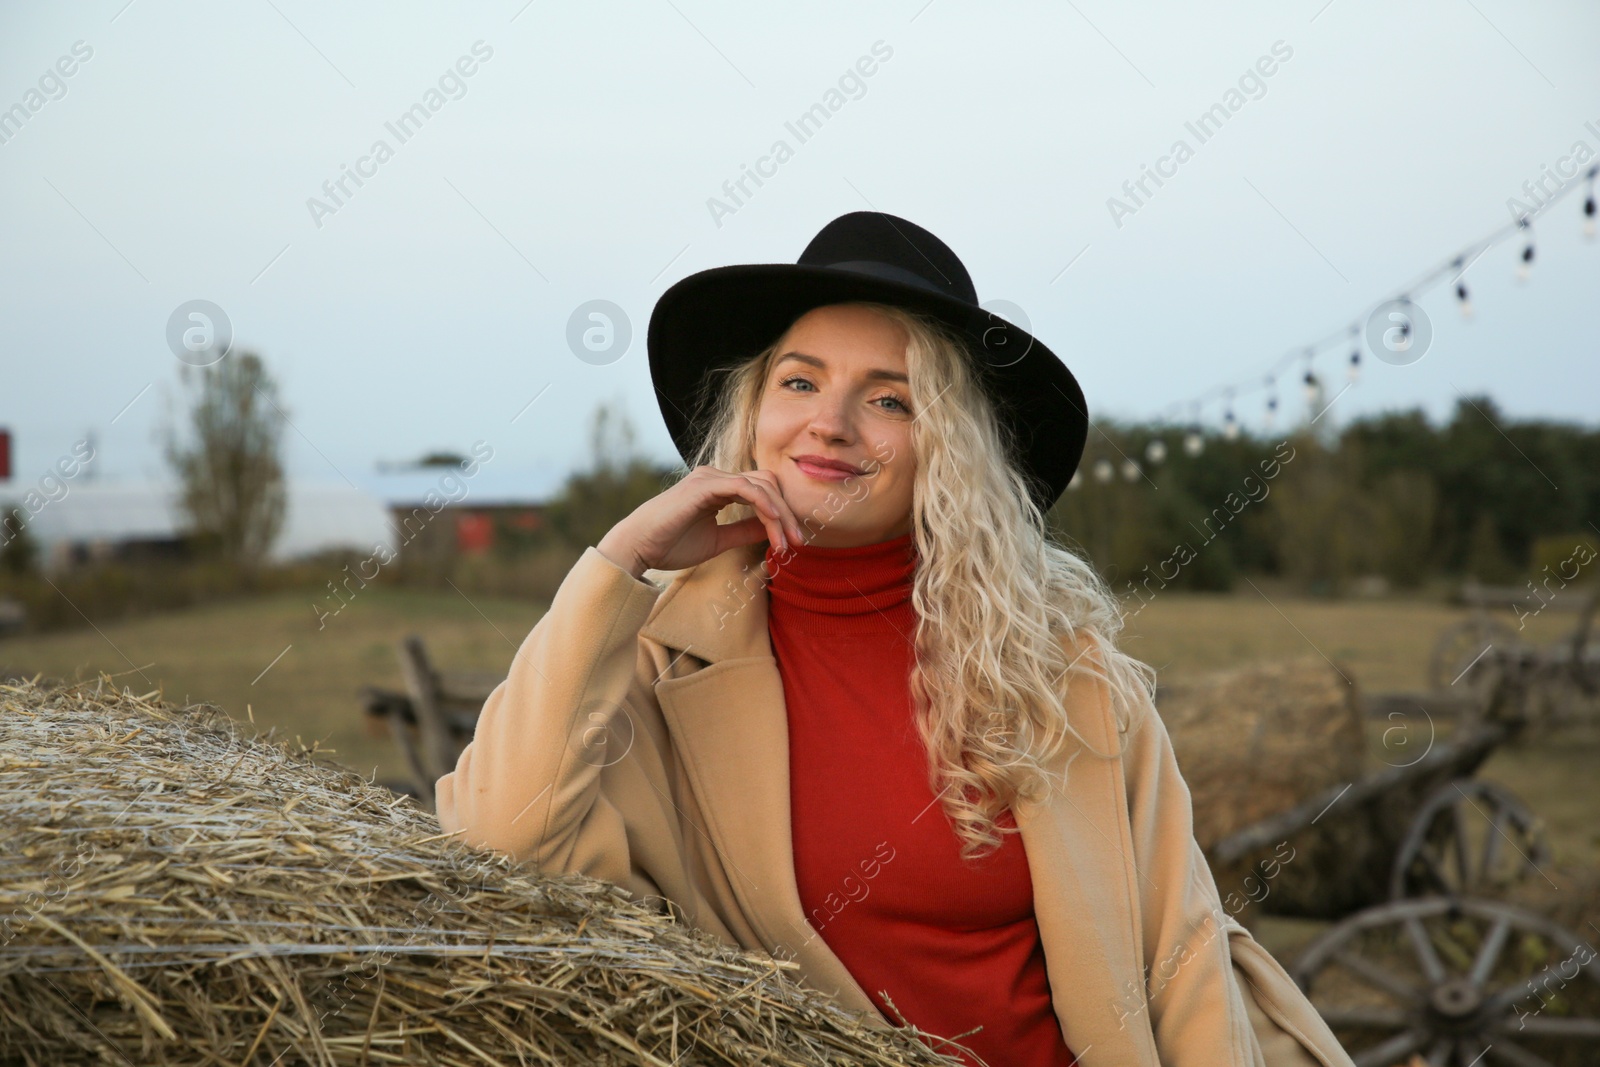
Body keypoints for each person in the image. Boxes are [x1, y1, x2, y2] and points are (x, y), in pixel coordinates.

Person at [434, 212, 1354, 1066]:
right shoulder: (656, 657)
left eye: (890, 400)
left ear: (947, 447)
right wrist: (620, 563)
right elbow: (496, 840)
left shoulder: (1058, 664)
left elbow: (1181, 953)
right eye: (798, 381)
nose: (828, 424)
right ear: (755, 411)